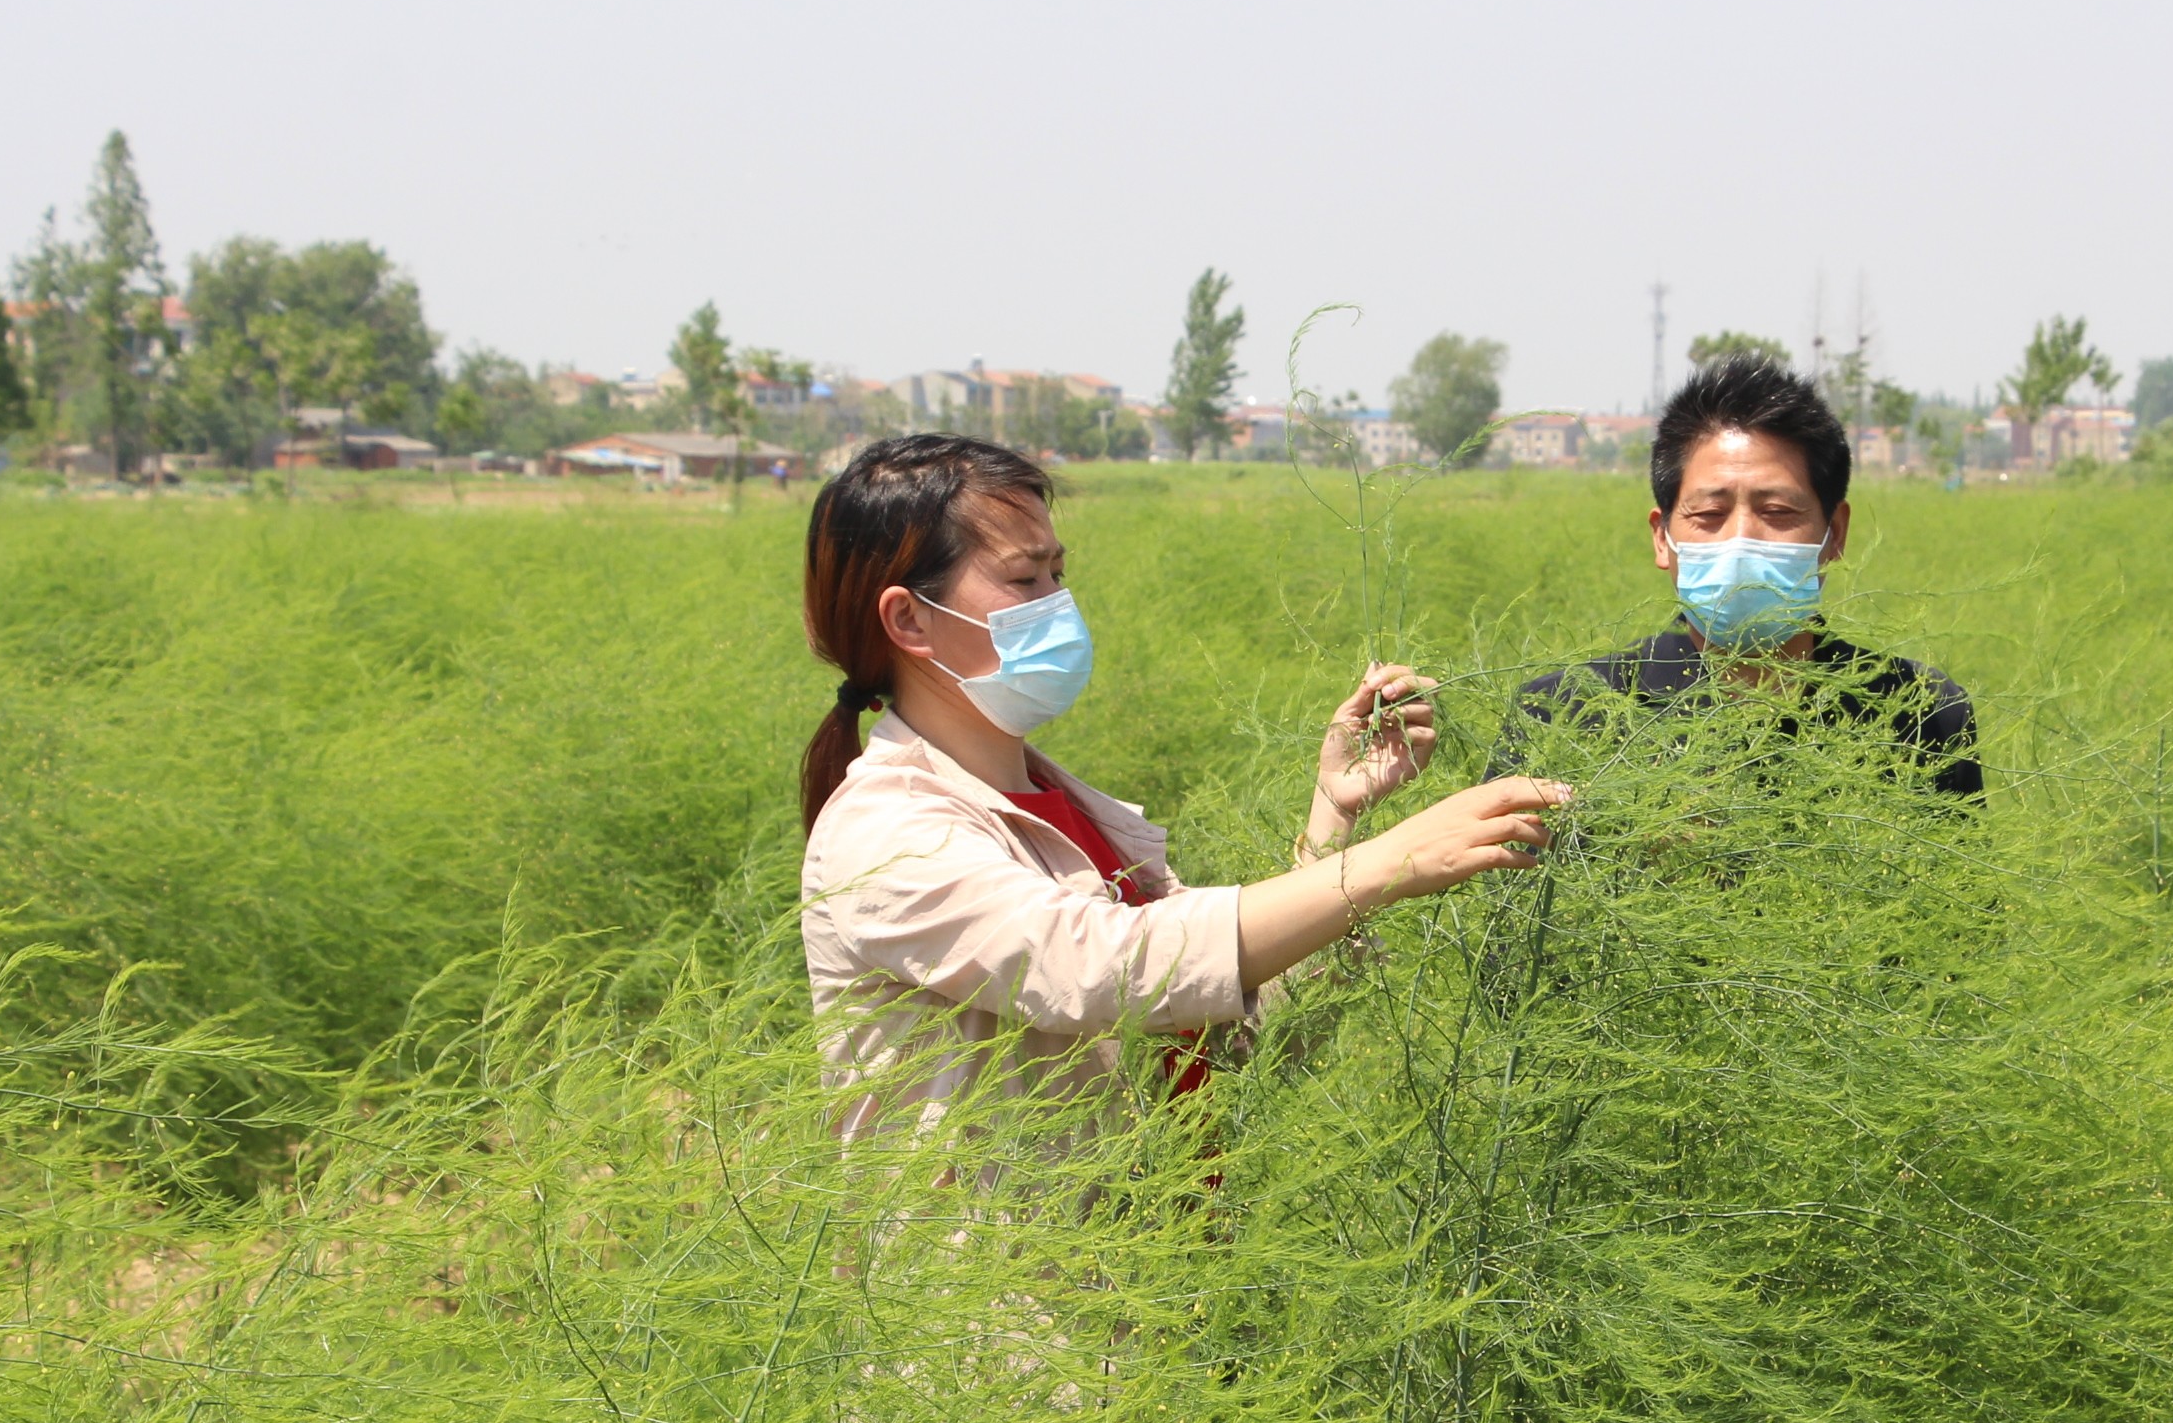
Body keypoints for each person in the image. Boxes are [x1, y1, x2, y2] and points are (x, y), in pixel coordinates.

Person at [800, 434, 1566, 1142]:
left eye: (1059, 574)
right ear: (910, 620)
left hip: (1164, 1273)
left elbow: (1231, 1040)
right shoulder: (882, 830)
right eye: (1024, 578)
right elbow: (1100, 968)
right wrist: (1392, 864)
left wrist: (1334, 814)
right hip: (1007, 1291)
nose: (1059, 602)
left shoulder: (1070, 813)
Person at [1499, 353, 1981, 799]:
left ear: (1834, 534)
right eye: (1710, 513)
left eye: (1776, 510)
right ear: (1662, 538)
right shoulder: (1564, 712)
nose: (1741, 541)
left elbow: (1960, 888)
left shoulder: (1921, 714)